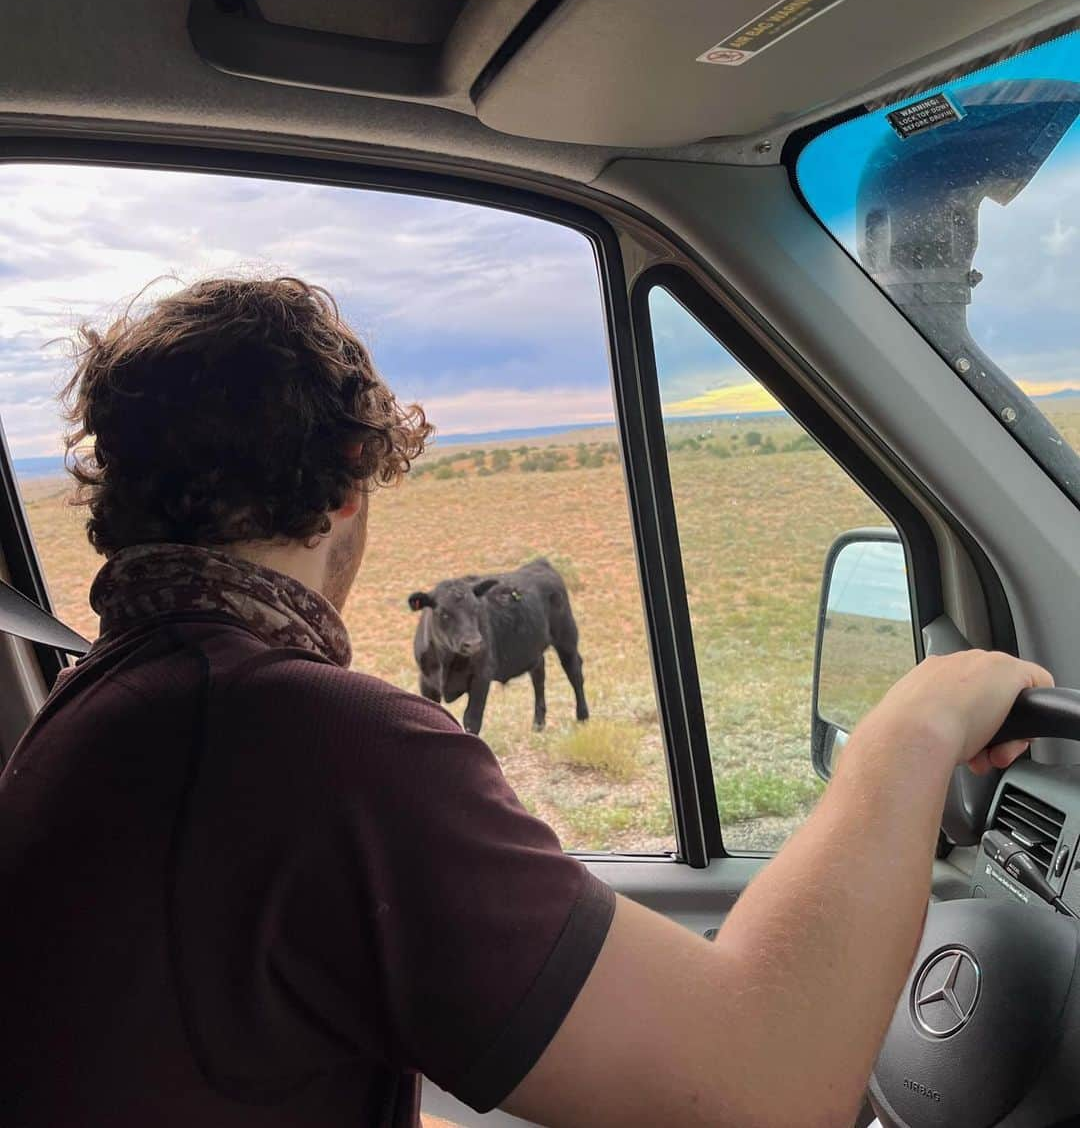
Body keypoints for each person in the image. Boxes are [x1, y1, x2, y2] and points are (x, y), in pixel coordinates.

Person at [0, 276, 1050, 1128]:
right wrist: (910, 732)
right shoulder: (315, 746)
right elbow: (765, 1094)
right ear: (349, 481)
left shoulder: (92, 715)